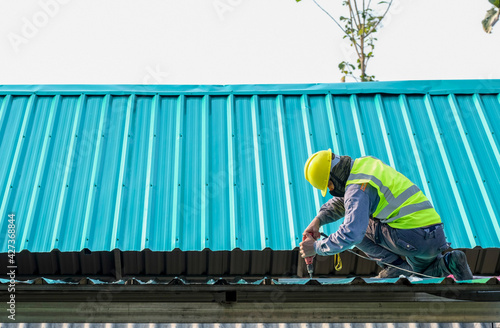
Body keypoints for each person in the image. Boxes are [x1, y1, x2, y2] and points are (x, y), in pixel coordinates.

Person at [299, 149, 473, 280]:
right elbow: (345, 200)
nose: (332, 190)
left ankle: (395, 266)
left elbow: (351, 233)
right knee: (421, 274)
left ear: (334, 177)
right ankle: (449, 262)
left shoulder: (357, 188)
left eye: (329, 185)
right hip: (434, 238)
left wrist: (315, 248)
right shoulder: (365, 164)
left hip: (411, 237)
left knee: (356, 224)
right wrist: (318, 220)